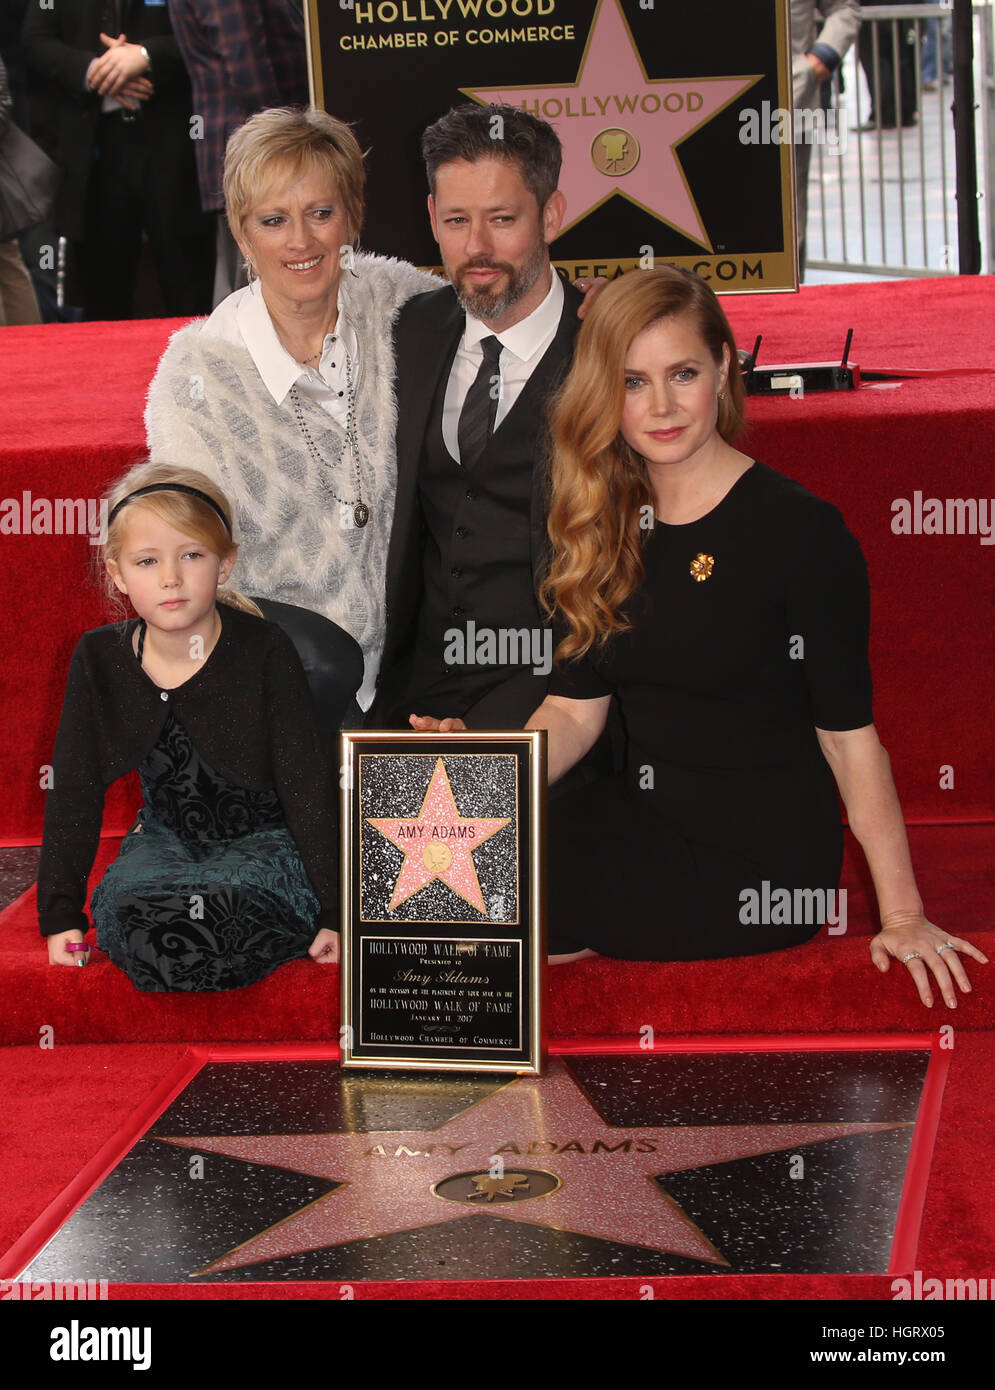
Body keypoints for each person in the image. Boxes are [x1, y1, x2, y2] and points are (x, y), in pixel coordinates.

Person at [482, 266, 980, 1006]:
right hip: (643, 812)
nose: (660, 406)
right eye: (631, 382)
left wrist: (902, 914)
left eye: (681, 373)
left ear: (723, 366)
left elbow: (849, 738)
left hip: (759, 863)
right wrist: (467, 791)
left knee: (504, 911)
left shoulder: (799, 532)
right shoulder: (600, 525)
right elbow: (572, 712)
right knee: (461, 861)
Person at [145, 105, 440, 714]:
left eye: (321, 213)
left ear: (352, 216)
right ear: (243, 232)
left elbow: (501, 316)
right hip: (276, 683)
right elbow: (187, 562)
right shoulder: (199, 374)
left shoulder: (401, 305)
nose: (301, 241)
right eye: (274, 220)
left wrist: (592, 312)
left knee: (460, 806)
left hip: (416, 672)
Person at [37, 461, 341, 989]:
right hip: (167, 839)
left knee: (231, 904)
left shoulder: (265, 649)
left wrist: (337, 910)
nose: (170, 578)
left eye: (192, 555)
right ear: (116, 573)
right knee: (132, 905)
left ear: (225, 564)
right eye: (147, 561)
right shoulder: (99, 657)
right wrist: (61, 913)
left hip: (263, 841)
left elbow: (306, 785)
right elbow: (74, 791)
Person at [370, 103, 587, 733]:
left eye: (502, 219)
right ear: (432, 217)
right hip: (417, 683)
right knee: (371, 827)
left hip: (558, 683)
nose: (478, 248)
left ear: (550, 215)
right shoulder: (411, 330)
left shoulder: (607, 345)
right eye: (458, 220)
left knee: (473, 826)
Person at [21, 0, 214, 319]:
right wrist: (96, 71)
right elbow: (35, 41)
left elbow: (210, 35)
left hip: (178, 146)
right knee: (103, 297)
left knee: (188, 286)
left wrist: (145, 56)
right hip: (94, 153)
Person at [166, 0, 309, 304]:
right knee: (253, 280)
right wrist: (282, 140)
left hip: (247, 140)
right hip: (258, 145)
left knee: (247, 274)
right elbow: (245, 61)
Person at [790, 2, 860, 277]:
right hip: (691, 106)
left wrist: (822, 57)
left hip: (786, 102)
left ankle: (785, 314)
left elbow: (844, 8)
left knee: (785, 233)